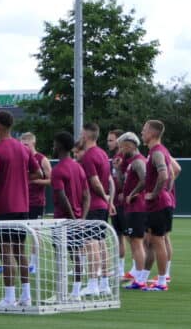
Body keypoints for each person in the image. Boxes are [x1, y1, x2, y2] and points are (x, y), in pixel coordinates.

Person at [0, 111, 41, 308]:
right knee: (20, 251)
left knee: (5, 251)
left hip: (4, 206)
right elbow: (37, 173)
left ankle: (9, 297)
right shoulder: (24, 149)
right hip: (23, 207)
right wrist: (19, 179)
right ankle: (25, 296)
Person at [50, 131, 90, 300]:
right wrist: (82, 218)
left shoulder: (58, 170)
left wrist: (73, 219)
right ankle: (75, 292)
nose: (53, 146)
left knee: (60, 254)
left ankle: (61, 293)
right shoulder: (78, 166)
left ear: (59, 145)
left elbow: (61, 196)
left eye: (54, 143)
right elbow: (87, 195)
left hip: (63, 220)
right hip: (77, 218)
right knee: (76, 254)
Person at [78, 122, 115, 295]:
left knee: (91, 243)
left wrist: (104, 197)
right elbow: (108, 181)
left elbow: (95, 181)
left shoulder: (89, 156)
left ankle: (93, 284)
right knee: (101, 243)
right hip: (101, 205)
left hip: (93, 205)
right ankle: (105, 284)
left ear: (85, 136)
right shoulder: (102, 153)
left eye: (81, 134)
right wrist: (108, 200)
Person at [141, 119, 174, 291]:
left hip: (158, 205)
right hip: (160, 203)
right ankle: (146, 278)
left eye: (144, 130)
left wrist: (155, 194)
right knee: (151, 242)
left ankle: (161, 282)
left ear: (152, 133)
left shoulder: (157, 152)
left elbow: (164, 175)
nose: (142, 133)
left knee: (158, 242)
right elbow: (171, 174)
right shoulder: (159, 151)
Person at [116, 132, 151, 290]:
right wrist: (117, 169)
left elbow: (146, 179)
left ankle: (140, 278)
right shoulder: (130, 162)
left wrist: (132, 194)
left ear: (130, 145)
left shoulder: (138, 162)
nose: (120, 150)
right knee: (135, 242)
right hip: (132, 207)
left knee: (137, 243)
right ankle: (138, 276)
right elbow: (124, 182)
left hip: (138, 207)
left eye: (122, 147)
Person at [21, 131, 52, 275]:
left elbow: (51, 180)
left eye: (26, 144)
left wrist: (35, 181)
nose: (24, 146)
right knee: (20, 232)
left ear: (33, 143)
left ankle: (34, 263)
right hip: (21, 201)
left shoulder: (41, 159)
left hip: (36, 202)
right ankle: (22, 263)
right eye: (22, 144)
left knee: (35, 233)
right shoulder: (21, 157)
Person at [107, 128, 131, 280]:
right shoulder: (115, 156)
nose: (108, 143)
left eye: (111, 140)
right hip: (115, 201)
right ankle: (120, 269)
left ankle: (137, 269)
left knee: (131, 237)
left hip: (124, 203)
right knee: (118, 235)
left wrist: (125, 191)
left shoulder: (124, 157)